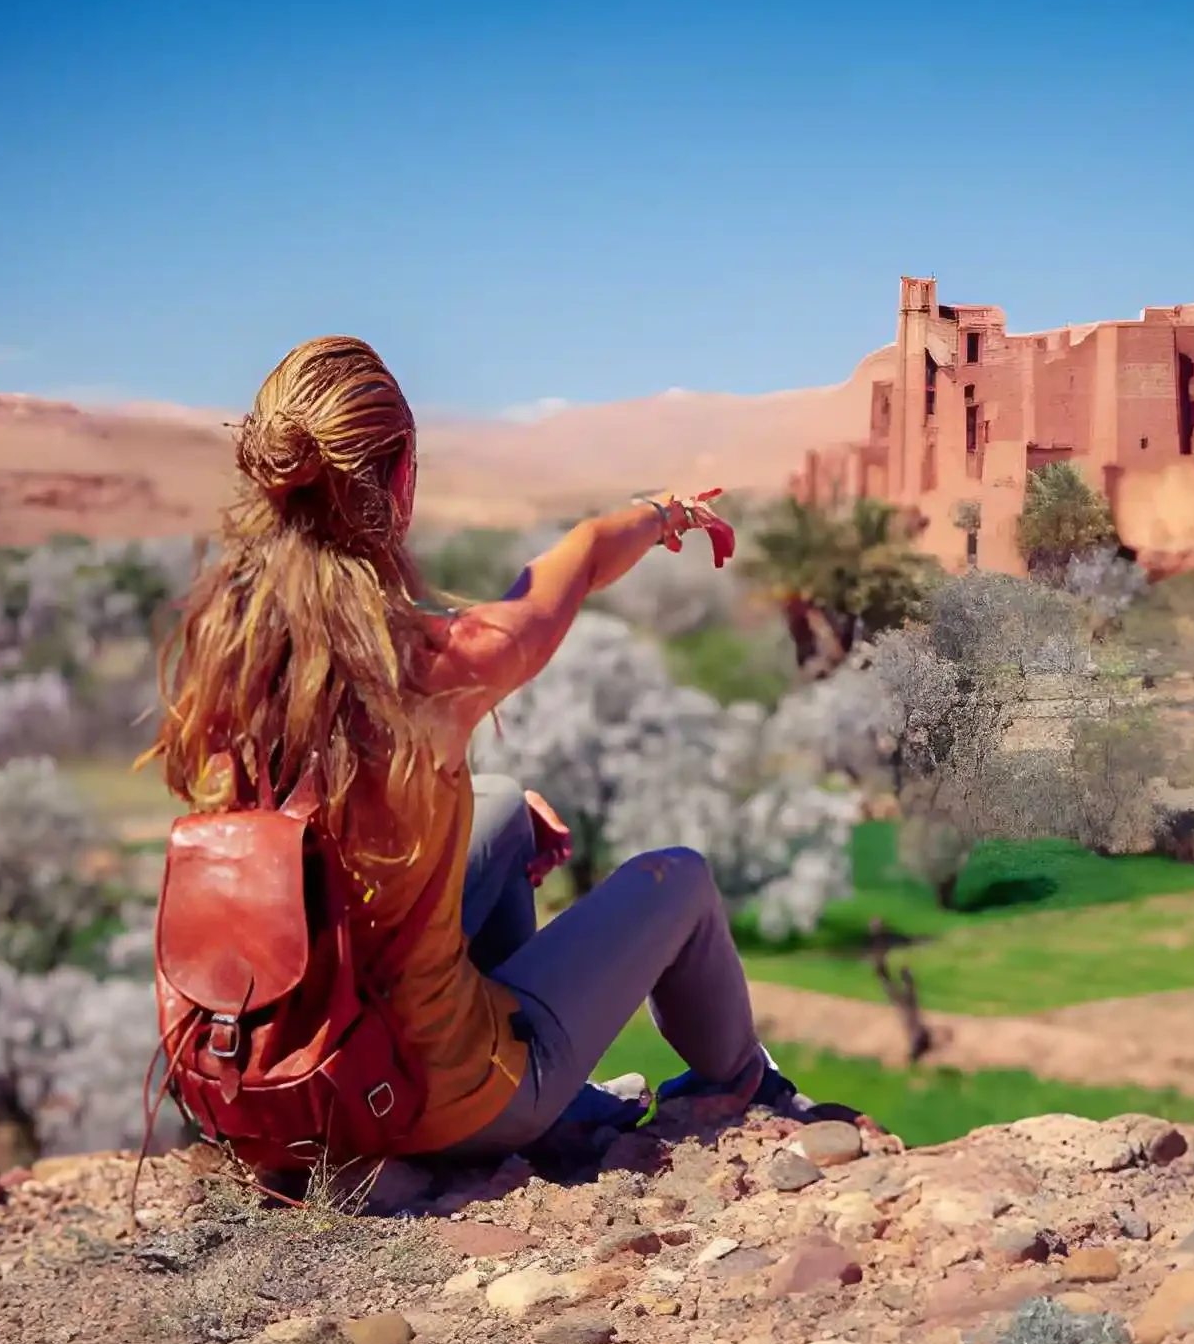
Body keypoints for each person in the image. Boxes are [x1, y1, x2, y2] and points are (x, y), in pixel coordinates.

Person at [147, 335, 804, 1166]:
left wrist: (457, 812)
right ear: (397, 479)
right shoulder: (432, 667)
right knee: (680, 880)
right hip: (420, 1099)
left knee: (496, 802)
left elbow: (314, 841)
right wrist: (665, 511)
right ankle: (742, 1082)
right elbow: (580, 561)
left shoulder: (224, 653)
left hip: (287, 1053)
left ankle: (543, 1091)